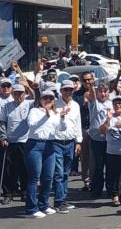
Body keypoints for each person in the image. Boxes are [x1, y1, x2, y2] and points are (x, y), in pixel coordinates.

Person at [25, 89, 68, 218]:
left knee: (48, 177)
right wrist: (45, 116)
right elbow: (32, 125)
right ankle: (31, 207)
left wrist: (62, 117)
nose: (48, 100)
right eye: (45, 98)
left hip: (49, 145)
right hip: (35, 144)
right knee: (34, 177)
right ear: (41, 100)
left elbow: (62, 128)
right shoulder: (35, 111)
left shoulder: (55, 113)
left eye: (51, 98)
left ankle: (43, 204)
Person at [0, 82, 34, 204]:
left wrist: (29, 87)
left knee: (24, 168)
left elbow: (38, 98)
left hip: (24, 141)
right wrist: (3, 137)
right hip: (10, 141)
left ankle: (24, 191)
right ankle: (8, 193)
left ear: (25, 94)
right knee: (9, 169)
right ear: (12, 94)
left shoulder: (30, 104)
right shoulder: (7, 106)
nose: (18, 95)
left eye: (21, 93)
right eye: (16, 93)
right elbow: (2, 122)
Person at [54, 79, 82, 213]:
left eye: (70, 90)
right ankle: (58, 201)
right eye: (65, 90)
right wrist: (60, 115)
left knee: (65, 173)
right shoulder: (54, 104)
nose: (68, 92)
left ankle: (63, 199)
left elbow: (78, 124)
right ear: (61, 91)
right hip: (57, 142)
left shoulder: (76, 105)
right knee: (59, 173)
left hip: (70, 142)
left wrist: (78, 141)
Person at [87, 80, 112, 198]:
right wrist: (92, 86)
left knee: (110, 166)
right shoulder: (94, 103)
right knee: (98, 165)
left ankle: (111, 190)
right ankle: (97, 189)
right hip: (97, 139)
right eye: (100, 92)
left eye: (105, 91)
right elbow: (91, 96)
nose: (103, 94)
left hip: (110, 140)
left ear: (108, 93)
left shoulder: (112, 104)